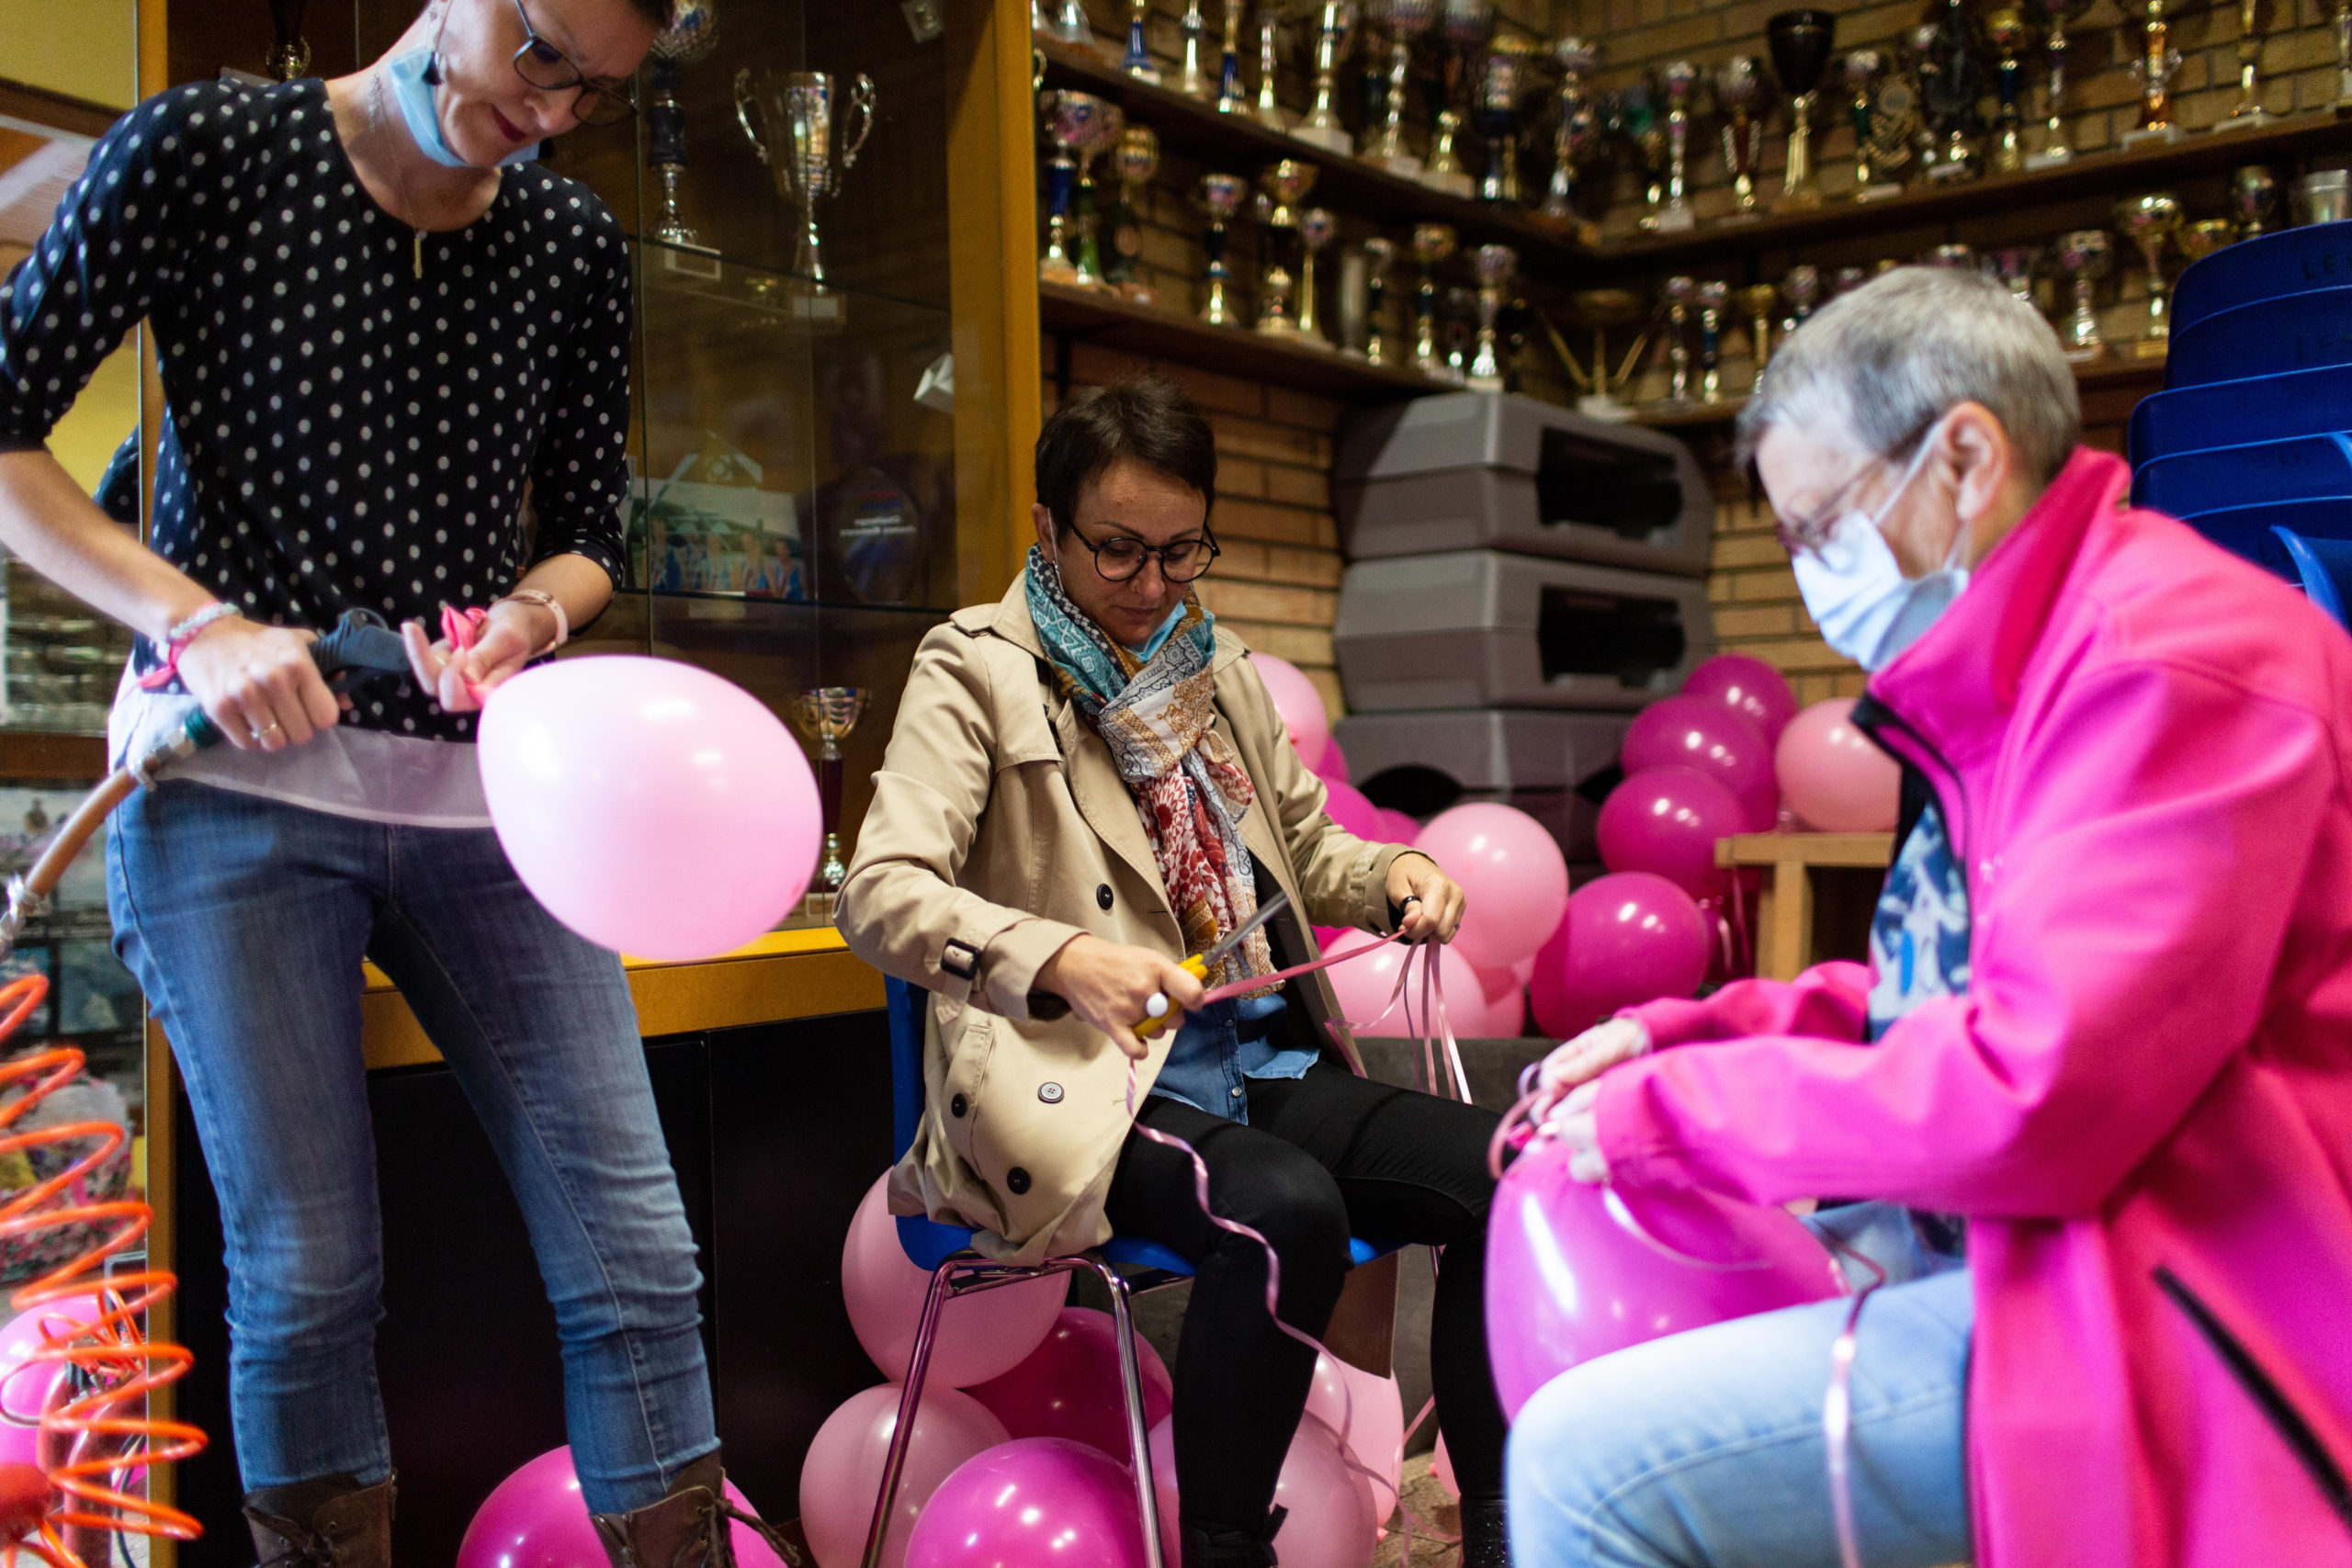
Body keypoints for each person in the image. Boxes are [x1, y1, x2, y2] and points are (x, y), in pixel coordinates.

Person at [0, 2, 787, 1562]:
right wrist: (198, 622)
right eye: (543, 54)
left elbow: (587, 535)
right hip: (231, 795)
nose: (555, 112)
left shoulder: (570, 244)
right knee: (309, 1275)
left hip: (485, 805)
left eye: (604, 93)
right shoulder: (209, 151)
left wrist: (533, 614)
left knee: (637, 1258)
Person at [1508, 265, 2352, 1568]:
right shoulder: (2042, 657)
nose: (1808, 578)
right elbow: (1959, 988)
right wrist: (1696, 1037)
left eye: (1818, 526)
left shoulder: (2168, 661)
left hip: (2186, 1307)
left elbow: (2038, 1095)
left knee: (1584, 1463)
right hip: (2064, 1252)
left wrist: (1663, 1118)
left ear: (1962, 456)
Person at [838, 378, 1517, 1568]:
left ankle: (1509, 1536)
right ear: (1047, 531)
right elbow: (880, 894)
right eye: (1117, 551)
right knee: (1284, 1212)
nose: (1152, 587)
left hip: (1256, 1065)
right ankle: (1222, 1554)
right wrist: (1060, 956)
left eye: (1180, 550)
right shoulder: (977, 670)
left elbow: (1308, 851)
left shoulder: (1219, 671)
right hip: (1082, 1085)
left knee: (1512, 1171)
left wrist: (1401, 873)